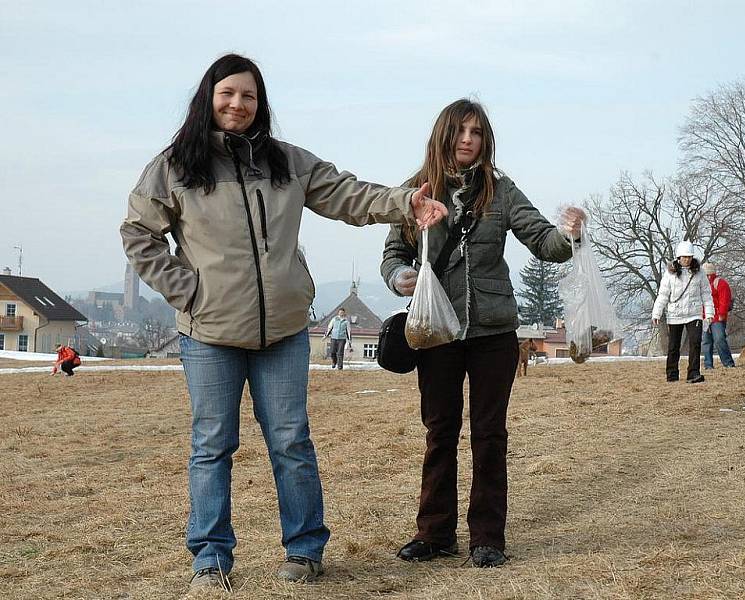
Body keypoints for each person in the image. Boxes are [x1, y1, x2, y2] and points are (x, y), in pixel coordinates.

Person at [119, 54, 447, 590]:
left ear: (259, 103)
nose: (237, 104)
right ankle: (210, 557)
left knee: (291, 441)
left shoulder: (286, 162)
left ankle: (305, 549)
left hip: (285, 331)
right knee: (212, 444)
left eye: (248, 96)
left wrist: (404, 203)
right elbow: (139, 235)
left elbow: (347, 194)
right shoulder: (175, 166)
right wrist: (190, 290)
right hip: (209, 333)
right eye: (228, 94)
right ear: (209, 97)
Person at [380, 99, 586, 568]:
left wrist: (571, 233)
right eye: (460, 131)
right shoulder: (415, 192)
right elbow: (392, 254)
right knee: (440, 431)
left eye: (477, 131)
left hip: (494, 331)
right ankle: (434, 533)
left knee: (489, 433)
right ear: (444, 135)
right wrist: (399, 278)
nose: (468, 139)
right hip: (436, 330)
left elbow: (545, 242)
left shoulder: (501, 191)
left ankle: (488, 536)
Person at [652, 241, 715, 383]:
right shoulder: (670, 274)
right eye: (684, 257)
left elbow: (706, 293)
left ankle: (693, 373)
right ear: (678, 257)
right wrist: (657, 313)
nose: (687, 259)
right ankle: (672, 374)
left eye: (689, 256)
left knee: (695, 342)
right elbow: (663, 294)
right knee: (673, 346)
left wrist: (709, 313)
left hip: (694, 313)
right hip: (675, 314)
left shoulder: (700, 273)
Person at [700, 263, 735, 369]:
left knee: (719, 339)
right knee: (706, 341)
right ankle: (708, 365)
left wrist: (722, 314)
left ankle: (728, 362)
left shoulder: (720, 283)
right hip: (704, 317)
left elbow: (724, 300)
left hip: (717, 317)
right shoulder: (700, 285)